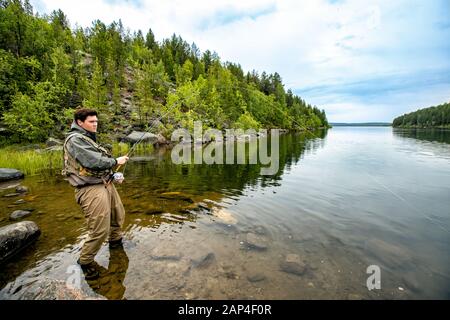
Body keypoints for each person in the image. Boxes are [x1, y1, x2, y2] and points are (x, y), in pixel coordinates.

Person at [62, 108, 129, 280]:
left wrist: (113, 175)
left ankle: (115, 245)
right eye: (92, 122)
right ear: (79, 122)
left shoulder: (87, 139)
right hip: (89, 189)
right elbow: (92, 161)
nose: (95, 124)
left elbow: (94, 167)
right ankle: (85, 262)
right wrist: (115, 161)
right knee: (99, 228)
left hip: (105, 183)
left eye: (96, 121)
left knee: (117, 215)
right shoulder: (75, 140)